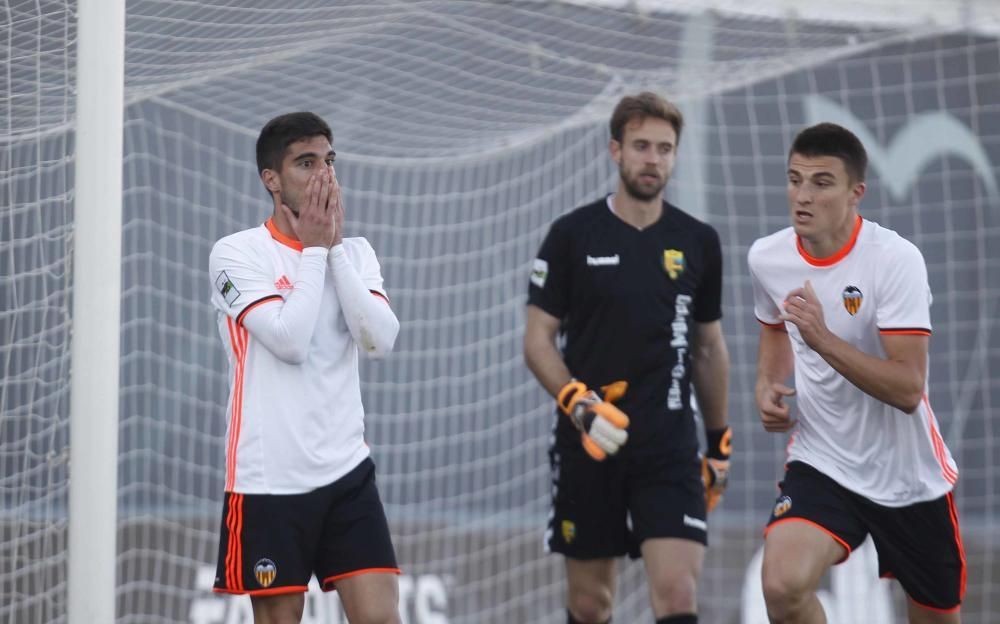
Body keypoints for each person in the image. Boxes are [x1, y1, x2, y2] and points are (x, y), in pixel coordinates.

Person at [524, 91, 732, 624]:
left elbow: (709, 348)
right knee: (592, 606)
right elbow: (537, 339)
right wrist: (578, 404)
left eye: (665, 148)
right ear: (615, 151)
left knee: (678, 598)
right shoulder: (571, 235)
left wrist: (719, 444)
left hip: (669, 449)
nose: (653, 159)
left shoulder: (698, 241)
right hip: (589, 442)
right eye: (641, 146)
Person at [749, 122, 965, 624]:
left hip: (908, 477)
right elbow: (776, 327)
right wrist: (767, 384)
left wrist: (823, 339)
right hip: (823, 460)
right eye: (794, 178)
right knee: (781, 587)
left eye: (821, 182)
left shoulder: (895, 261)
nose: (802, 195)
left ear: (855, 193)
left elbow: (908, 389)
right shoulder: (767, 257)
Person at [208, 112, 402, 624]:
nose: (324, 176)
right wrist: (316, 251)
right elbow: (289, 341)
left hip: (347, 473)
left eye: (330, 161)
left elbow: (380, 339)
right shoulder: (236, 253)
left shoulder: (356, 254)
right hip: (269, 480)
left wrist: (332, 250)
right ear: (271, 179)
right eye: (306, 163)